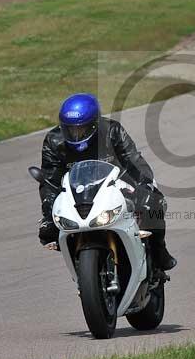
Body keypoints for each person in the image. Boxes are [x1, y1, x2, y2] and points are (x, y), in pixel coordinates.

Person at [37, 93, 177, 271]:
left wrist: (145, 185)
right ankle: (81, 269)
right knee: (48, 230)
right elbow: (50, 180)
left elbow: (133, 160)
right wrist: (49, 210)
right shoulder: (53, 140)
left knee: (154, 204)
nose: (76, 134)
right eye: (70, 129)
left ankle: (159, 251)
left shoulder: (113, 131)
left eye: (81, 129)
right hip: (77, 194)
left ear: (95, 124)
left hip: (116, 186)